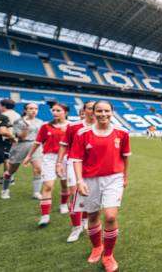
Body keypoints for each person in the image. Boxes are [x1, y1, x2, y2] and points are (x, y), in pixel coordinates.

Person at [69, 100, 130, 272]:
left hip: (114, 178)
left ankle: (108, 255)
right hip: (90, 180)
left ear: (112, 112)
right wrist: (79, 180)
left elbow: (125, 157)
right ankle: (97, 247)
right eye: (99, 111)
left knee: (110, 216)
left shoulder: (122, 132)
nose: (103, 114)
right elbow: (77, 159)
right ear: (93, 113)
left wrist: (125, 177)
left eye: (107, 111)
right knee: (93, 215)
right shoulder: (82, 133)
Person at [23, 103, 70, 227]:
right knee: (48, 186)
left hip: (66, 158)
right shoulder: (45, 126)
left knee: (65, 184)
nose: (54, 112)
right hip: (49, 158)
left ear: (65, 112)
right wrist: (29, 156)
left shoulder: (72, 127)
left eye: (58, 110)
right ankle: (45, 216)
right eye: (53, 110)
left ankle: (64, 204)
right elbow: (37, 142)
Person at [59, 101, 95, 243]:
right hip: (74, 163)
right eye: (89, 108)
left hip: (93, 166)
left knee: (87, 194)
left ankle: (85, 220)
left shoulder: (102, 127)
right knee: (74, 194)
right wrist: (58, 163)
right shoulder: (73, 126)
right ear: (84, 110)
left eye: (94, 108)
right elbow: (64, 145)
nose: (92, 111)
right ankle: (76, 227)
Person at [2, 103, 44, 200]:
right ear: (25, 110)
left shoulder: (40, 121)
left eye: (36, 109)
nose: (34, 110)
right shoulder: (18, 121)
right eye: (31, 108)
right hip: (21, 146)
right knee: (11, 171)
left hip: (35, 146)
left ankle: (36, 192)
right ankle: (5, 190)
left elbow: (41, 136)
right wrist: (27, 126)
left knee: (38, 168)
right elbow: (21, 137)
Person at [0, 99, 21, 201]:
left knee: (6, 159)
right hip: (15, 139)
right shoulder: (18, 115)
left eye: (0, 105)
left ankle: (9, 178)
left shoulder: (4, 115)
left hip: (6, 139)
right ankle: (9, 177)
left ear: (3, 106)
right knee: (9, 158)